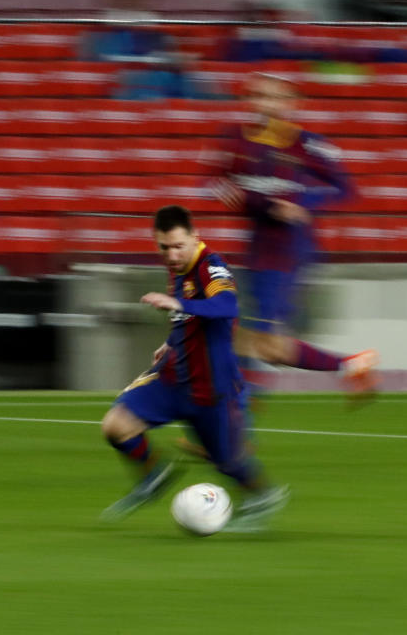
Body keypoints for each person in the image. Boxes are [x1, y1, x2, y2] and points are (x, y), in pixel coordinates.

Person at [100, 205, 287, 532]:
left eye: (177, 246)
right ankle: (153, 476)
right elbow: (187, 321)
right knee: (116, 426)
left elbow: (226, 306)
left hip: (211, 391)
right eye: (164, 247)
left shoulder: (211, 266)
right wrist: (171, 342)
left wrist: (179, 304)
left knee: (227, 462)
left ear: (194, 237)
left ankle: (262, 496)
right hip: (174, 379)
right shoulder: (178, 268)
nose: (171, 255)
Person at [209, 73, 379, 402]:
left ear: (290, 105)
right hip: (255, 250)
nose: (265, 104)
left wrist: (301, 203)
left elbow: (345, 189)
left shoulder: (307, 144)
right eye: (259, 96)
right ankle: (352, 364)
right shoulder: (239, 141)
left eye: (274, 98)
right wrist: (232, 192)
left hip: (287, 253)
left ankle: (231, 422)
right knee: (263, 345)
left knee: (251, 340)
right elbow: (214, 181)